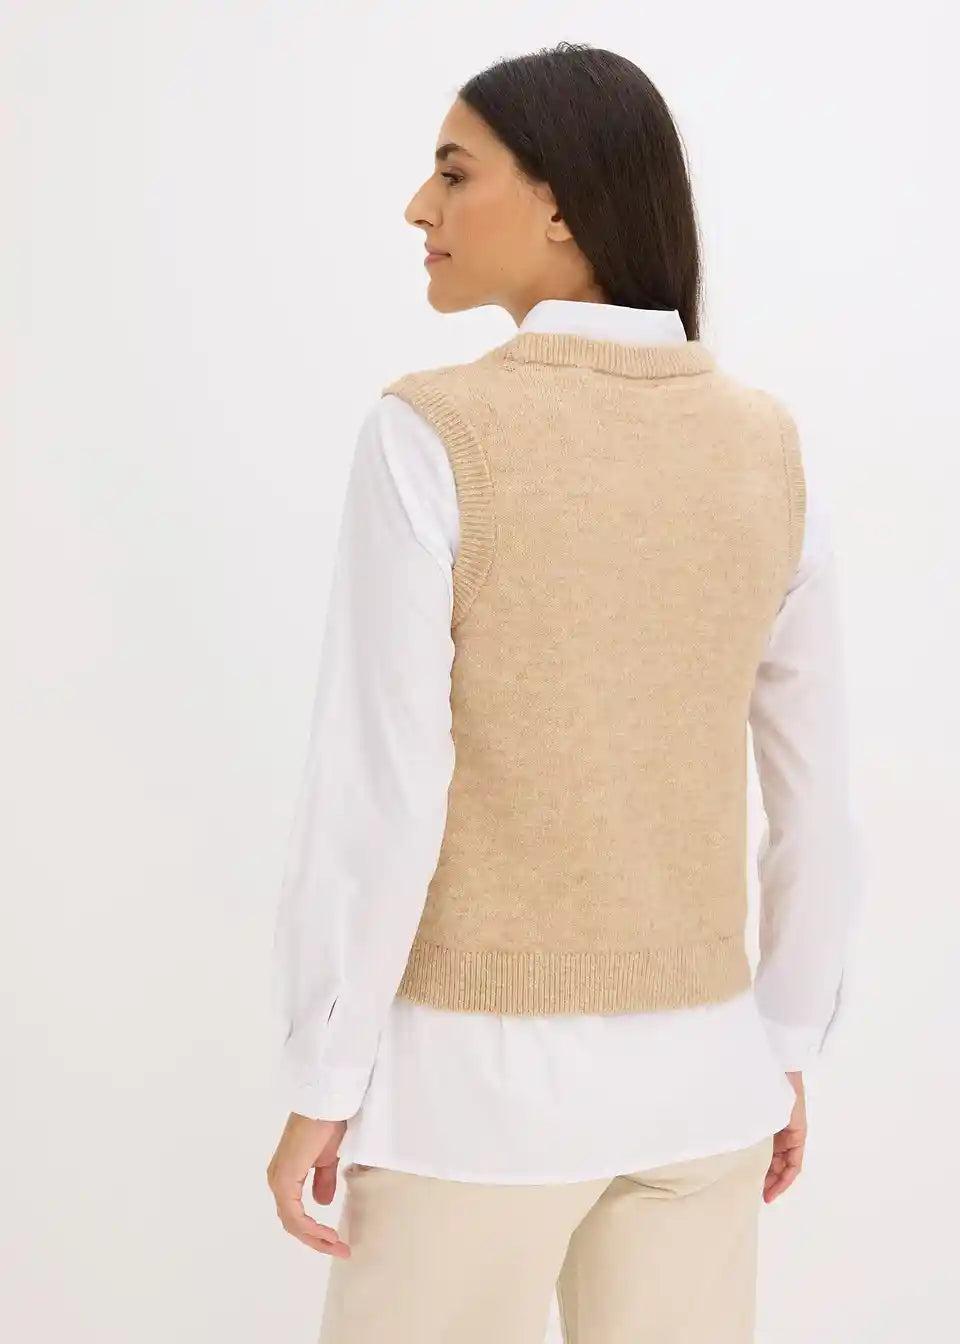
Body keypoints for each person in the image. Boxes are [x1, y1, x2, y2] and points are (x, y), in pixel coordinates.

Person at [266, 42, 860, 1344]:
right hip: (704, 1092)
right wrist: (780, 1043)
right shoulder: (769, 447)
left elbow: (383, 789)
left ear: (559, 203)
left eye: (453, 172)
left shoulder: (434, 435)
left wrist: (326, 1069)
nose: (418, 207)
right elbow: (816, 798)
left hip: (472, 1099)